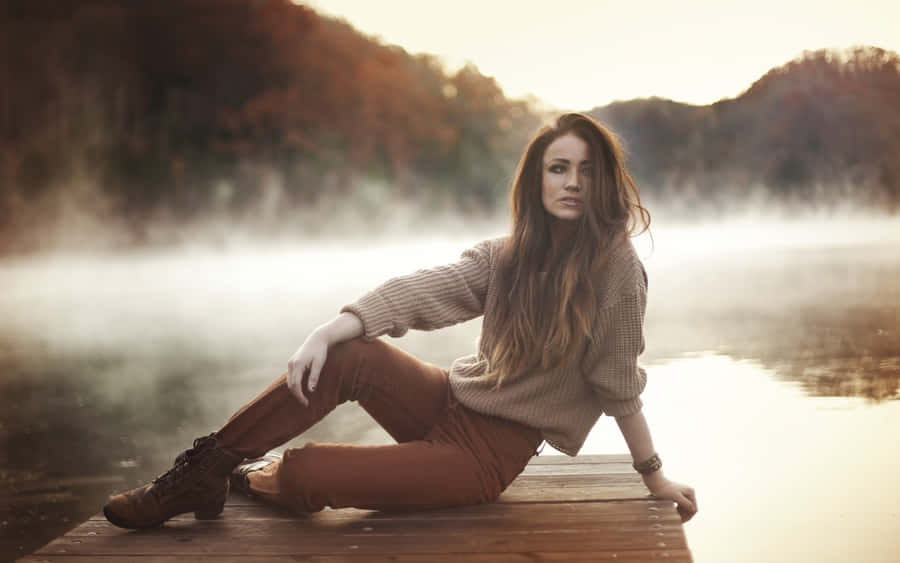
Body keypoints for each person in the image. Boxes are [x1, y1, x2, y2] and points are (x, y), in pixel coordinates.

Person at [102, 112, 698, 529]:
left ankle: (248, 477)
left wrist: (655, 478)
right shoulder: (507, 255)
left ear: (604, 181)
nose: (572, 183)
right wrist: (330, 327)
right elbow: (424, 290)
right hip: (447, 401)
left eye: (587, 170)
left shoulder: (618, 269)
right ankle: (199, 472)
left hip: (486, 458)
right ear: (536, 179)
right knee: (349, 353)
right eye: (558, 168)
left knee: (309, 471)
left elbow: (617, 383)